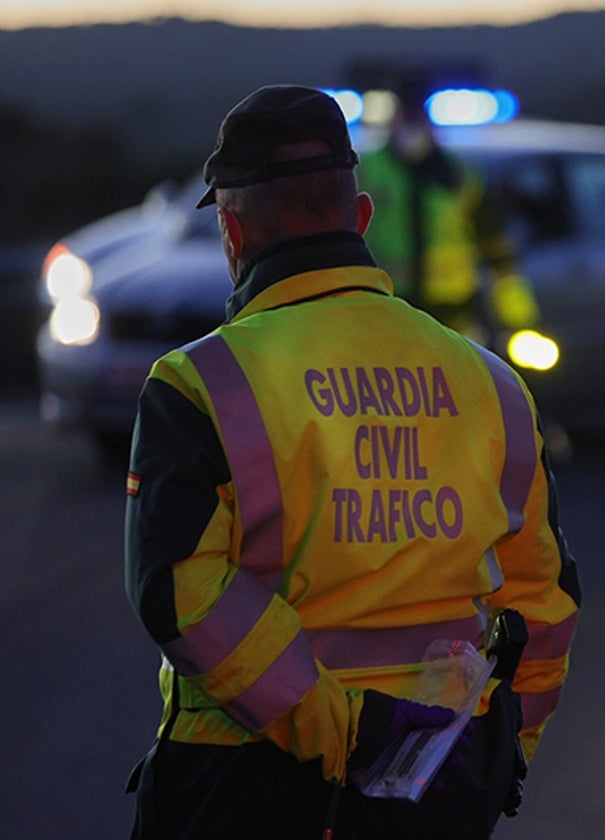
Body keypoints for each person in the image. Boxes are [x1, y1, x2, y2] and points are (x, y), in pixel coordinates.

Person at [123, 85, 581, 839]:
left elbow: (180, 594)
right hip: (438, 778)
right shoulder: (493, 385)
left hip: (241, 780)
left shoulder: (200, 383)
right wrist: (502, 752)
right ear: (362, 216)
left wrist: (338, 732)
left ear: (232, 233)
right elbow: (545, 599)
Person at [356, 87, 539, 346]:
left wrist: (519, 317)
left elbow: (494, 244)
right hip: (388, 307)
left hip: (453, 310)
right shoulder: (367, 170)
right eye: (406, 119)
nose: (411, 130)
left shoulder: (459, 174)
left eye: (417, 120)